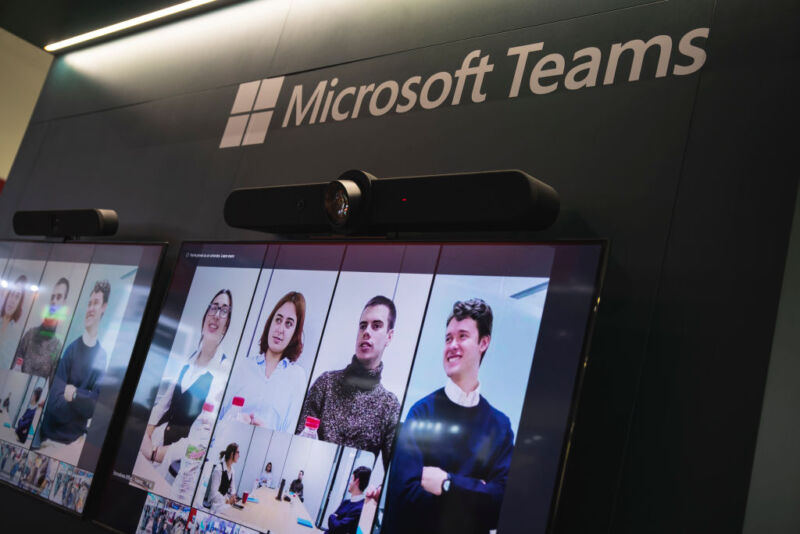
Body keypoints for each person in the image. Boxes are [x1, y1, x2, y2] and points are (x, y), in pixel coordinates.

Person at [382, 298, 514, 534]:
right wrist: (477, 493)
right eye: (448, 338)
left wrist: (446, 483)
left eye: (462, 336)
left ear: (484, 342)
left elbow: (501, 505)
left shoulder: (500, 427)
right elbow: (404, 499)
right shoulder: (421, 413)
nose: (452, 345)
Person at [296, 296, 400, 460]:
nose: (366, 332)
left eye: (376, 326)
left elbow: (393, 472)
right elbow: (297, 445)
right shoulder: (326, 384)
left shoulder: (389, 405)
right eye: (363, 326)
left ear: (389, 336)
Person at [140, 290, 232, 467]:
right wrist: (146, 435)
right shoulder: (188, 359)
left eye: (224, 311)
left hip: (176, 462)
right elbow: (163, 404)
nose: (216, 315)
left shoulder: (223, 370)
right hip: (153, 444)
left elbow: (204, 436)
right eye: (213, 308)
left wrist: (158, 454)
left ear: (226, 326)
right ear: (205, 316)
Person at [35, 280, 111, 445]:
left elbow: (95, 408)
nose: (90, 308)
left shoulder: (102, 357)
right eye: (89, 303)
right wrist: (85, 399)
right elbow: (55, 404)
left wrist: (74, 394)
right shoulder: (70, 350)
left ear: (104, 307)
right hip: (49, 438)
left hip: (73, 443)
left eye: (96, 303)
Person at [223, 291, 307, 432]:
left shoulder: (297, 377)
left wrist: (265, 433)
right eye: (278, 320)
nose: (280, 329)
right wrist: (234, 420)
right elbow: (218, 420)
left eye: (288, 324)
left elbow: (289, 434)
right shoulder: (244, 366)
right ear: (270, 323)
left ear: (295, 333)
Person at [12, 277, 70, 379]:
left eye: (59, 297)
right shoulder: (30, 335)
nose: (54, 301)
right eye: (52, 297)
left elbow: (51, 385)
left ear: (64, 303)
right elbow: (14, 366)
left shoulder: (57, 347)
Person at [325, 466, 372, 534]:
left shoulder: (360, 509)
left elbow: (337, 528)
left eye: (351, 479)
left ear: (356, 481)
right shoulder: (345, 502)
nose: (349, 482)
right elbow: (334, 525)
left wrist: (332, 516)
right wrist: (334, 519)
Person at [203, 443, 239, 513]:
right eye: (238, 452)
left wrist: (233, 496)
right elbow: (213, 494)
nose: (239, 456)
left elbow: (233, 488)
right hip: (216, 505)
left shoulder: (232, 470)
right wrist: (227, 501)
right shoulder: (219, 469)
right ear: (232, 454)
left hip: (224, 504)